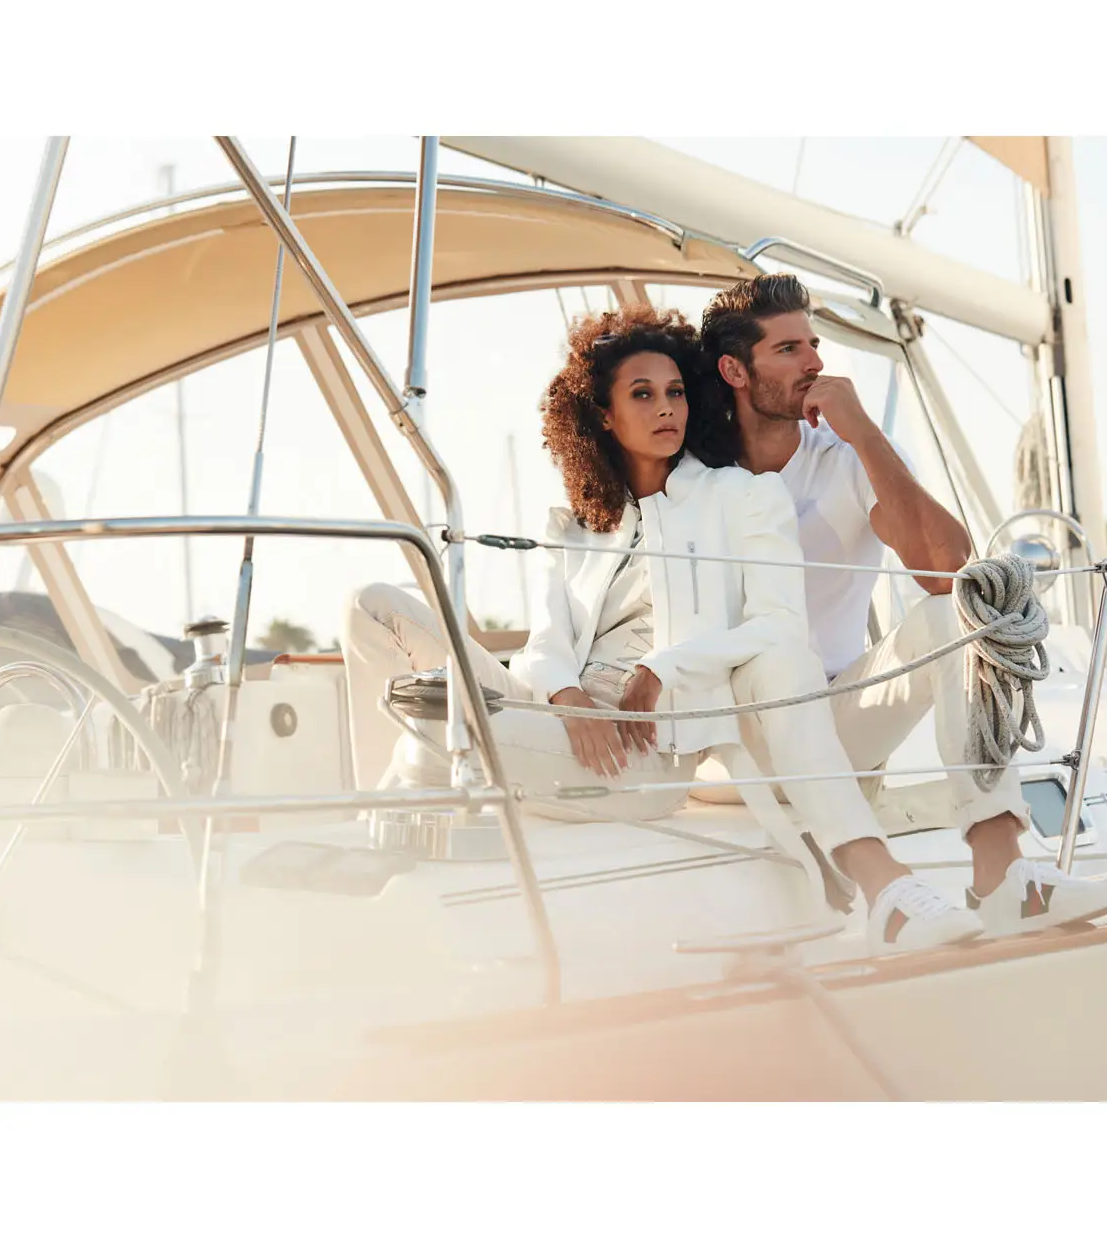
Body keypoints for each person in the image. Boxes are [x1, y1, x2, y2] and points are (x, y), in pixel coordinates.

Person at [340, 305, 980, 950]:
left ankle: (373, 861)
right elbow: (543, 649)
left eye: (675, 392)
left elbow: (777, 626)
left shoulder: (743, 496)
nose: (664, 408)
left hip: (643, 749)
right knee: (372, 604)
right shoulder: (576, 524)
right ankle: (364, 821)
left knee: (433, 724)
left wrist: (660, 669)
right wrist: (568, 701)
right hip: (563, 716)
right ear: (603, 416)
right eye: (641, 395)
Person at [696, 274, 1107, 933]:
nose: (814, 361)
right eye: (788, 349)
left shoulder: (845, 456)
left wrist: (865, 435)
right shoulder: (697, 478)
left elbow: (949, 571)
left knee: (953, 616)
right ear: (734, 369)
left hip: (835, 720)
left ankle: (1002, 876)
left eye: (814, 342)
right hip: (737, 741)